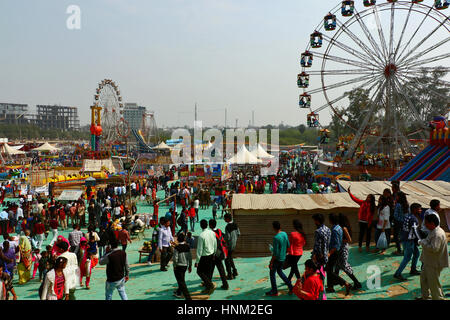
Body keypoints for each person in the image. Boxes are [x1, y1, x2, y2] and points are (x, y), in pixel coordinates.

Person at [416, 214, 449, 300]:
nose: (425, 225)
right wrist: (423, 241)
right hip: (429, 261)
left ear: (432, 223)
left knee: (433, 283)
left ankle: (438, 298)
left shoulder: (437, 234)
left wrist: (422, 242)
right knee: (424, 279)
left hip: (434, 263)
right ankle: (426, 296)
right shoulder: (433, 231)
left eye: (426, 223)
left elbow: (434, 249)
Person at [394, 203, 422, 281]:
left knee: (416, 254)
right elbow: (415, 231)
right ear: (415, 209)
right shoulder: (414, 219)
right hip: (409, 241)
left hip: (406, 239)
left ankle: (413, 269)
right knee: (407, 258)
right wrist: (420, 240)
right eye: (419, 209)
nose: (420, 210)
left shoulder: (407, 216)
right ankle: (398, 273)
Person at [325, 214, 352, 295]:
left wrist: (330, 253)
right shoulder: (339, 227)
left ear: (330, 220)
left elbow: (336, 244)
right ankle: (330, 287)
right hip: (336, 251)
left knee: (329, 271)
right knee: (329, 270)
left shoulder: (335, 230)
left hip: (334, 252)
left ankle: (345, 283)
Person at [266, 221, 293, 296]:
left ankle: (274, 291)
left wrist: (271, 262)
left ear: (274, 228)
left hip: (277, 259)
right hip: (283, 258)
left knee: (272, 273)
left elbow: (275, 252)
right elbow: (288, 245)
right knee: (280, 272)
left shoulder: (276, 238)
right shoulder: (284, 234)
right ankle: (290, 286)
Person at [335, 213, 361, 289]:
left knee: (344, 266)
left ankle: (356, 282)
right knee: (337, 265)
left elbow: (349, 240)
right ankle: (336, 280)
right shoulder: (341, 227)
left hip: (343, 248)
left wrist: (339, 240)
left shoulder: (344, 228)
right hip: (340, 248)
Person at [348, 186, 375, 252]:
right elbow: (355, 199)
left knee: (368, 235)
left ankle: (367, 246)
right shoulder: (363, 202)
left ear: (372, 199)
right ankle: (360, 246)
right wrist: (349, 193)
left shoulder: (372, 205)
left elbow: (371, 215)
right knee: (361, 234)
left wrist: (369, 223)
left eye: (369, 197)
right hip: (361, 221)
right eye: (368, 197)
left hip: (368, 222)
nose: (368, 198)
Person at [195, 219, 217, 295]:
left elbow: (199, 250)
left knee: (199, 271)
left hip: (204, 256)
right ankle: (208, 285)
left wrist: (197, 261)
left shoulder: (201, 235)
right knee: (208, 272)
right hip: (211, 255)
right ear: (207, 225)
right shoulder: (212, 233)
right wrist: (214, 253)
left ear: (201, 225)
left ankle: (209, 285)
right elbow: (215, 244)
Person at [209, 219, 229, 290]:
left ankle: (208, 284)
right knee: (221, 269)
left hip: (214, 254)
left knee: (210, 269)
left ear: (210, 225)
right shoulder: (219, 231)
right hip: (220, 252)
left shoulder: (211, 233)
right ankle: (225, 284)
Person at [172, 233, 192, 300]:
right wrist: (190, 266)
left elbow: (175, 259)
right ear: (184, 239)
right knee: (182, 279)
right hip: (185, 265)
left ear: (177, 240)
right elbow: (190, 257)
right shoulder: (187, 247)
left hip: (178, 266)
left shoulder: (176, 248)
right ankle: (178, 291)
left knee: (181, 281)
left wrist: (174, 266)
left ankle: (187, 297)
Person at [224, 213, 240, 280]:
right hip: (234, 245)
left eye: (225, 218)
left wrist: (225, 243)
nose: (224, 219)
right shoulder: (235, 225)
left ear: (227, 219)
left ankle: (230, 275)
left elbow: (227, 238)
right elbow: (238, 233)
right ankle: (235, 271)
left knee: (227, 260)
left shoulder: (227, 227)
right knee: (230, 258)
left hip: (229, 246)